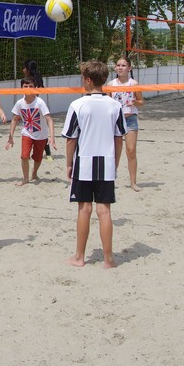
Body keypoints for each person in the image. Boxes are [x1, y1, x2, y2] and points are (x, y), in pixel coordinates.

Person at [62, 60, 126, 269]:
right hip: (106, 162)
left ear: (88, 80)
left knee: (84, 210)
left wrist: (69, 163)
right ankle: (108, 260)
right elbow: (119, 139)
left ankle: (79, 257)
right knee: (104, 211)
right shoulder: (115, 105)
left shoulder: (78, 105)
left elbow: (71, 139)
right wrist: (115, 163)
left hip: (84, 162)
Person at [5, 77, 56, 186]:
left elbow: (49, 119)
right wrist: (10, 137)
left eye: (31, 86)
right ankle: (25, 179)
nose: (28, 88)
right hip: (27, 133)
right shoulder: (19, 103)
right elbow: (14, 119)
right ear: (21, 88)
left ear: (35, 88)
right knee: (24, 156)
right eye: (25, 86)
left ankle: (34, 173)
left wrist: (52, 137)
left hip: (41, 135)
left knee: (38, 158)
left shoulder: (40, 102)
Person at [108, 57, 143, 191]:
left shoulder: (134, 84)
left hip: (130, 118)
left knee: (131, 150)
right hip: (115, 120)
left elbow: (141, 102)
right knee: (114, 151)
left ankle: (133, 182)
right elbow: (106, 102)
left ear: (129, 68)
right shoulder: (111, 84)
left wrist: (134, 102)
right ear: (115, 68)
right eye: (118, 65)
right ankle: (111, 179)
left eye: (123, 65)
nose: (120, 67)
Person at [22, 59, 53, 158]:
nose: (23, 70)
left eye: (24, 68)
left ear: (28, 69)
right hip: (31, 107)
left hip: (36, 107)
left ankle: (47, 152)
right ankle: (32, 153)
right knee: (32, 131)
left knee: (40, 130)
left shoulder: (34, 79)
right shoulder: (29, 79)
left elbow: (36, 94)